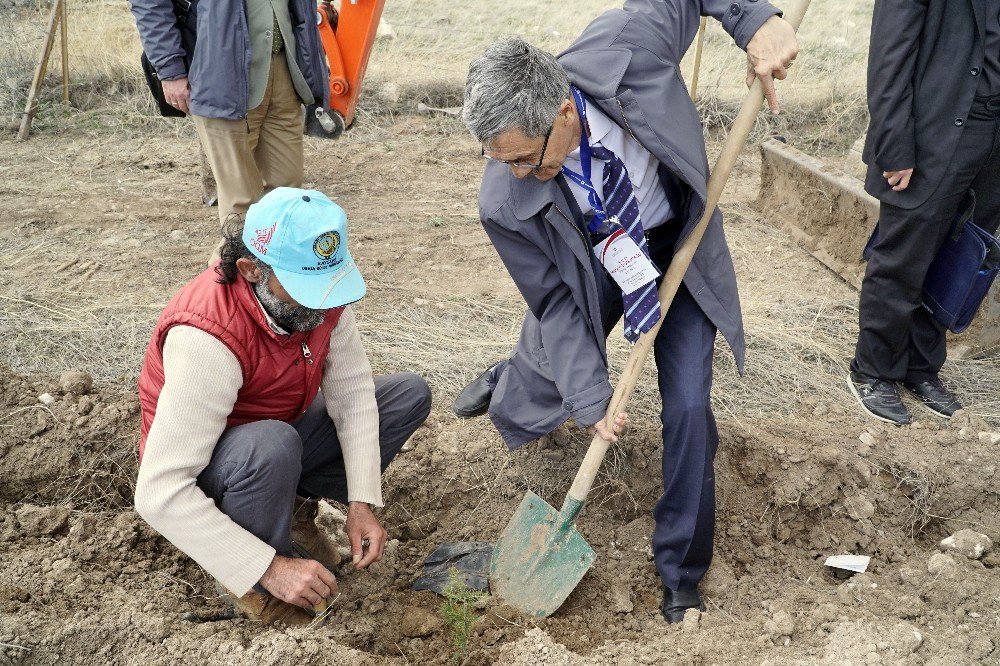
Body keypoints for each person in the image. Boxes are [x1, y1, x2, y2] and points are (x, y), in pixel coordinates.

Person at [453, 0, 797, 622]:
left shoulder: (626, 47)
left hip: (673, 247)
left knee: (690, 406)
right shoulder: (505, 200)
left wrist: (755, 23)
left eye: (526, 157)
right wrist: (591, 401)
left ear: (562, 110)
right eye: (501, 160)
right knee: (546, 375)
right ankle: (511, 380)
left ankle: (682, 571)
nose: (518, 173)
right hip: (591, 264)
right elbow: (555, 298)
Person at [134, 188, 431, 625]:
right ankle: (253, 585)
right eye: (303, 290)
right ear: (251, 270)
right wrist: (270, 570)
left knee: (405, 396)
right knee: (270, 445)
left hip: (281, 433)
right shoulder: (208, 338)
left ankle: (291, 511)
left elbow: (352, 394)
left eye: (327, 288)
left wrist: (361, 501)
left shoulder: (320, 301)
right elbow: (159, 493)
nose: (324, 307)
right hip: (213, 468)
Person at [847, 0, 1000, 425]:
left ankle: (920, 366)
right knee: (904, 253)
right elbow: (889, 55)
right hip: (934, 131)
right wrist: (894, 145)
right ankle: (873, 370)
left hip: (994, 136)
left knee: (960, 257)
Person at [130, 0, 328, 234]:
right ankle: (235, 268)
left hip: (286, 64)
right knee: (241, 203)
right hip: (220, 71)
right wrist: (170, 69)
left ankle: (276, 268)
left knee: (287, 197)